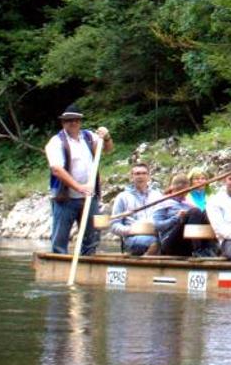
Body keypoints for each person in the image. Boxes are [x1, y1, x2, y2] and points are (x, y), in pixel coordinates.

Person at [45, 105, 111, 255]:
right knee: (60, 238)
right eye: (68, 120)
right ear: (63, 123)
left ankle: (87, 263)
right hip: (65, 198)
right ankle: (59, 265)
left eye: (76, 120)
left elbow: (107, 149)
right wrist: (79, 187)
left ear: (80, 122)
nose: (72, 123)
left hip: (89, 196)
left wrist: (106, 137)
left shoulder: (88, 137)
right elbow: (57, 169)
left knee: (91, 237)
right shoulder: (56, 142)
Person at [108, 162, 175, 256]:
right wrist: (130, 230)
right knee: (156, 243)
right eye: (137, 173)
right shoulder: (122, 197)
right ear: (131, 176)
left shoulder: (158, 195)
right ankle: (144, 266)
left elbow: (164, 217)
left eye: (144, 173)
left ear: (148, 176)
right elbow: (113, 225)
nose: (141, 176)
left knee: (171, 242)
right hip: (133, 237)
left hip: (156, 235)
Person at [154, 167, 215, 257]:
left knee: (206, 212)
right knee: (195, 211)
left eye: (185, 191)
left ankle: (207, 248)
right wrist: (176, 218)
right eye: (179, 191)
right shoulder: (163, 203)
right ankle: (197, 249)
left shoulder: (188, 204)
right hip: (169, 242)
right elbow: (157, 226)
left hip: (186, 243)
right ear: (173, 189)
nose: (182, 194)